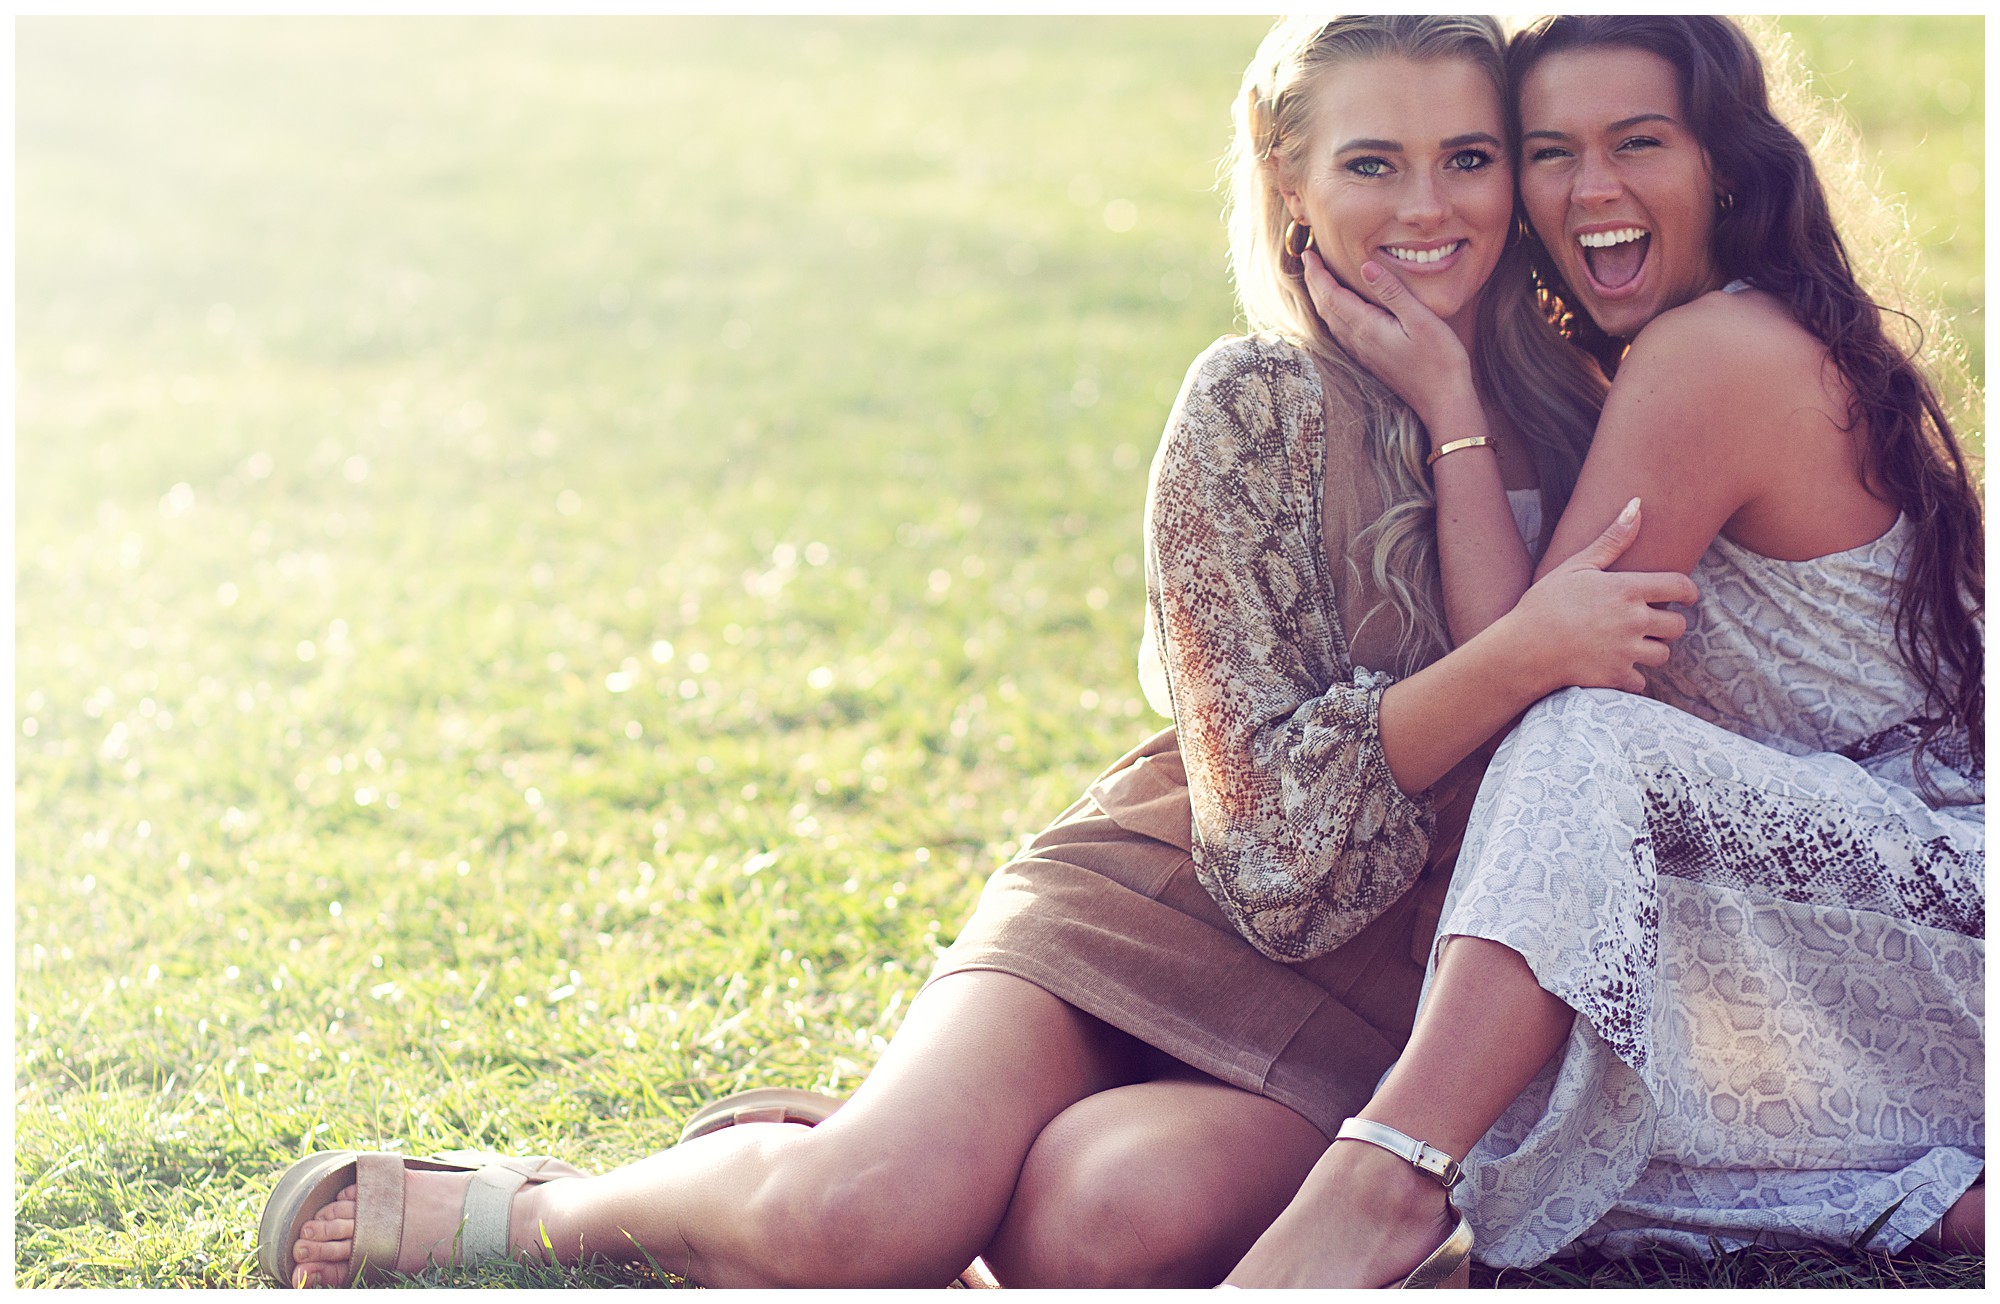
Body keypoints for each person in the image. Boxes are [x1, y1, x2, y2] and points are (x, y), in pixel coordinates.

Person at [256, 15, 1687, 1289]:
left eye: (1472, 160)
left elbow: (1545, 759)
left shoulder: (1594, 406)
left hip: (1388, 993)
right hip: (1169, 902)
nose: (1430, 207)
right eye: (1375, 164)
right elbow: (1265, 833)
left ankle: (867, 1148)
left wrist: (1454, 398)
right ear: (1290, 182)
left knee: (1094, 1239)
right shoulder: (1249, 403)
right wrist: (1508, 620)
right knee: (868, 1222)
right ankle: (543, 1213)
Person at [1220, 14, 1984, 1288]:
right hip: (1828, 899)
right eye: (1545, 151)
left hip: (1946, 920)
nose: (1590, 190)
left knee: (1581, 741)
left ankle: (1386, 1183)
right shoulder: (1659, 347)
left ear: (1722, 166)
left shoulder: (1708, 351)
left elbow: (1527, 671)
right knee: (1566, 1043)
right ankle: (1930, 1197)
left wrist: (1451, 403)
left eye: (1637, 143)